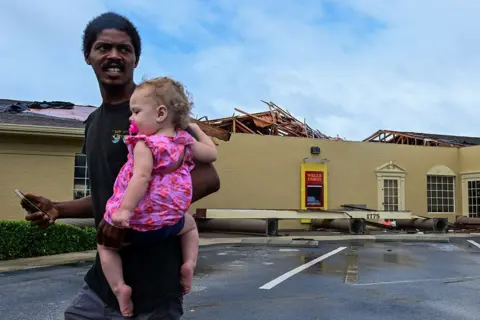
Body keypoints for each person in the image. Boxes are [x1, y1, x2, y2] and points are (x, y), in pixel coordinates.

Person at [20, 12, 220, 319]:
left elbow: (208, 176)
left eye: (124, 49)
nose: (114, 55)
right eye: (103, 47)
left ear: (135, 59)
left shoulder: (162, 118)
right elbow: (109, 192)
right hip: (105, 282)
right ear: (88, 56)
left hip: (155, 285)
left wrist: (138, 214)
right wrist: (59, 208)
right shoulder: (92, 123)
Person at [98, 76, 217, 317]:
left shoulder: (145, 144)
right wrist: (196, 129)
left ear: (161, 113)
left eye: (136, 111)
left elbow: (140, 178)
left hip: (137, 225)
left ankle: (120, 288)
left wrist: (124, 211)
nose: (131, 118)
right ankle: (189, 263)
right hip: (171, 223)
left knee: (104, 246)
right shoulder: (184, 143)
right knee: (191, 226)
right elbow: (212, 153)